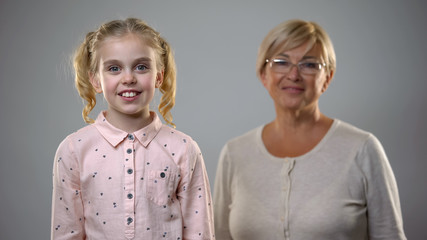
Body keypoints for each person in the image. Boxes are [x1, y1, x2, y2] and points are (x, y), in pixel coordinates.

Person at [213, 19, 406, 240]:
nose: (294, 75)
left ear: (328, 78)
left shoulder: (361, 149)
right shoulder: (235, 153)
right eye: (281, 62)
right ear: (263, 74)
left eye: (309, 65)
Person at [51, 18, 215, 240]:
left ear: (158, 76)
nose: (128, 78)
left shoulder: (184, 150)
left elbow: (199, 233)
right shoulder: (74, 150)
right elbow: (67, 233)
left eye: (141, 67)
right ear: (96, 81)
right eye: (114, 68)